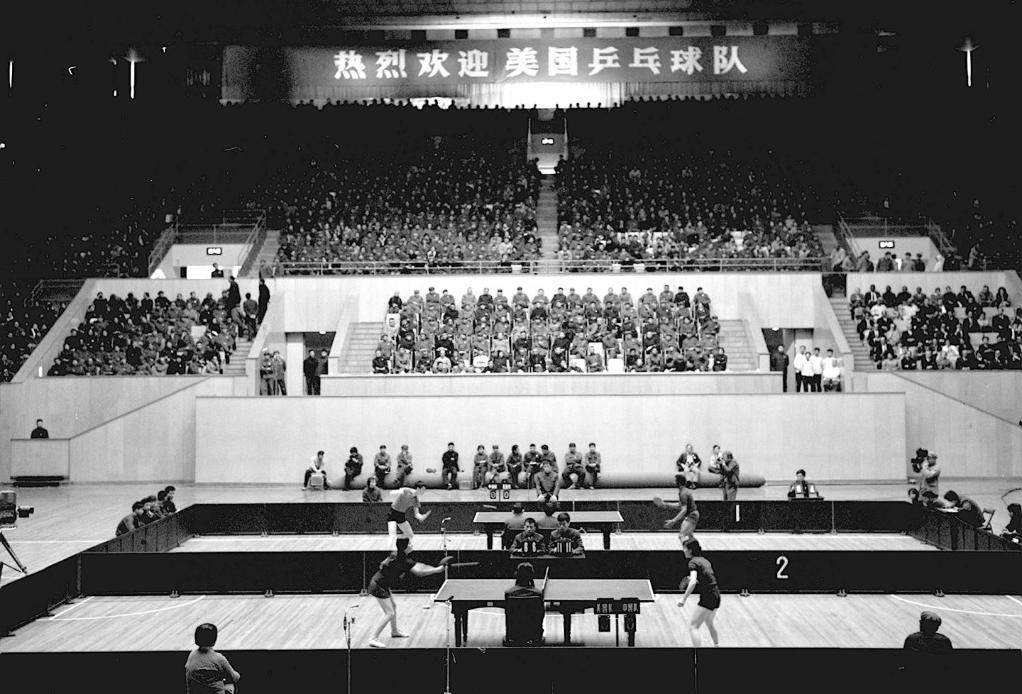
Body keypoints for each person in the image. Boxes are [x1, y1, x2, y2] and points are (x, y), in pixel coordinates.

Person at [367, 538, 452, 648]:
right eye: (410, 544)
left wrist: (436, 568)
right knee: (390, 613)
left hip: (381, 582)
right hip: (378, 585)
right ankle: (373, 638)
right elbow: (420, 571)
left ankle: (394, 631)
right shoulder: (405, 561)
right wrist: (438, 570)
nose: (412, 545)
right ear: (406, 547)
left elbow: (420, 566)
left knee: (393, 607)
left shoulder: (396, 554)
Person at [678, 538, 720, 647]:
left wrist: (683, 599)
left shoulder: (692, 563)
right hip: (716, 595)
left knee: (693, 626)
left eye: (685, 549)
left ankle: (697, 653)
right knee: (709, 623)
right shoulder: (704, 561)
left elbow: (693, 582)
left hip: (708, 596)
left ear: (690, 550)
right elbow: (706, 577)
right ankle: (717, 646)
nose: (683, 551)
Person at [185, 623, 240, 693]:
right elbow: (234, 677)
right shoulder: (219, 659)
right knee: (231, 683)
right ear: (214, 640)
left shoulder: (192, 655)